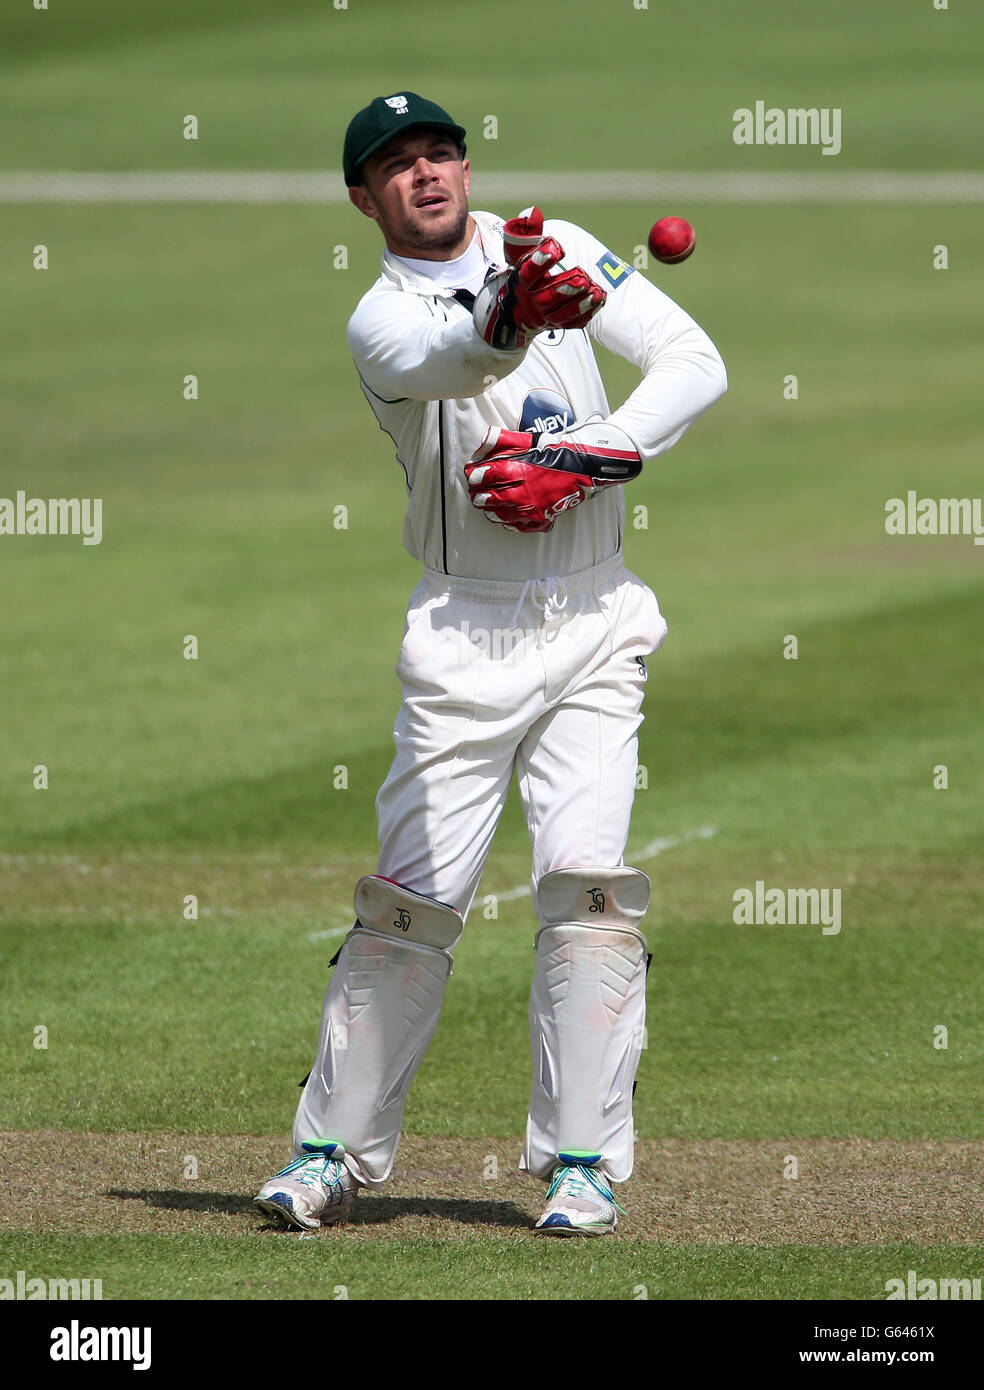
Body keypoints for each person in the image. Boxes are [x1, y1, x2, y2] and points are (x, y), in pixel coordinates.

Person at [254, 91, 727, 1237]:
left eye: (441, 155)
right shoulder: (379, 318)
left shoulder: (557, 243)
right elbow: (457, 360)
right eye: (398, 166)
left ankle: (582, 1164)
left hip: (599, 618)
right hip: (466, 637)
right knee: (410, 907)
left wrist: (587, 457)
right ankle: (329, 1154)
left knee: (588, 895)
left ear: (466, 167)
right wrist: (514, 311)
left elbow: (693, 361)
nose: (426, 175)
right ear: (363, 199)